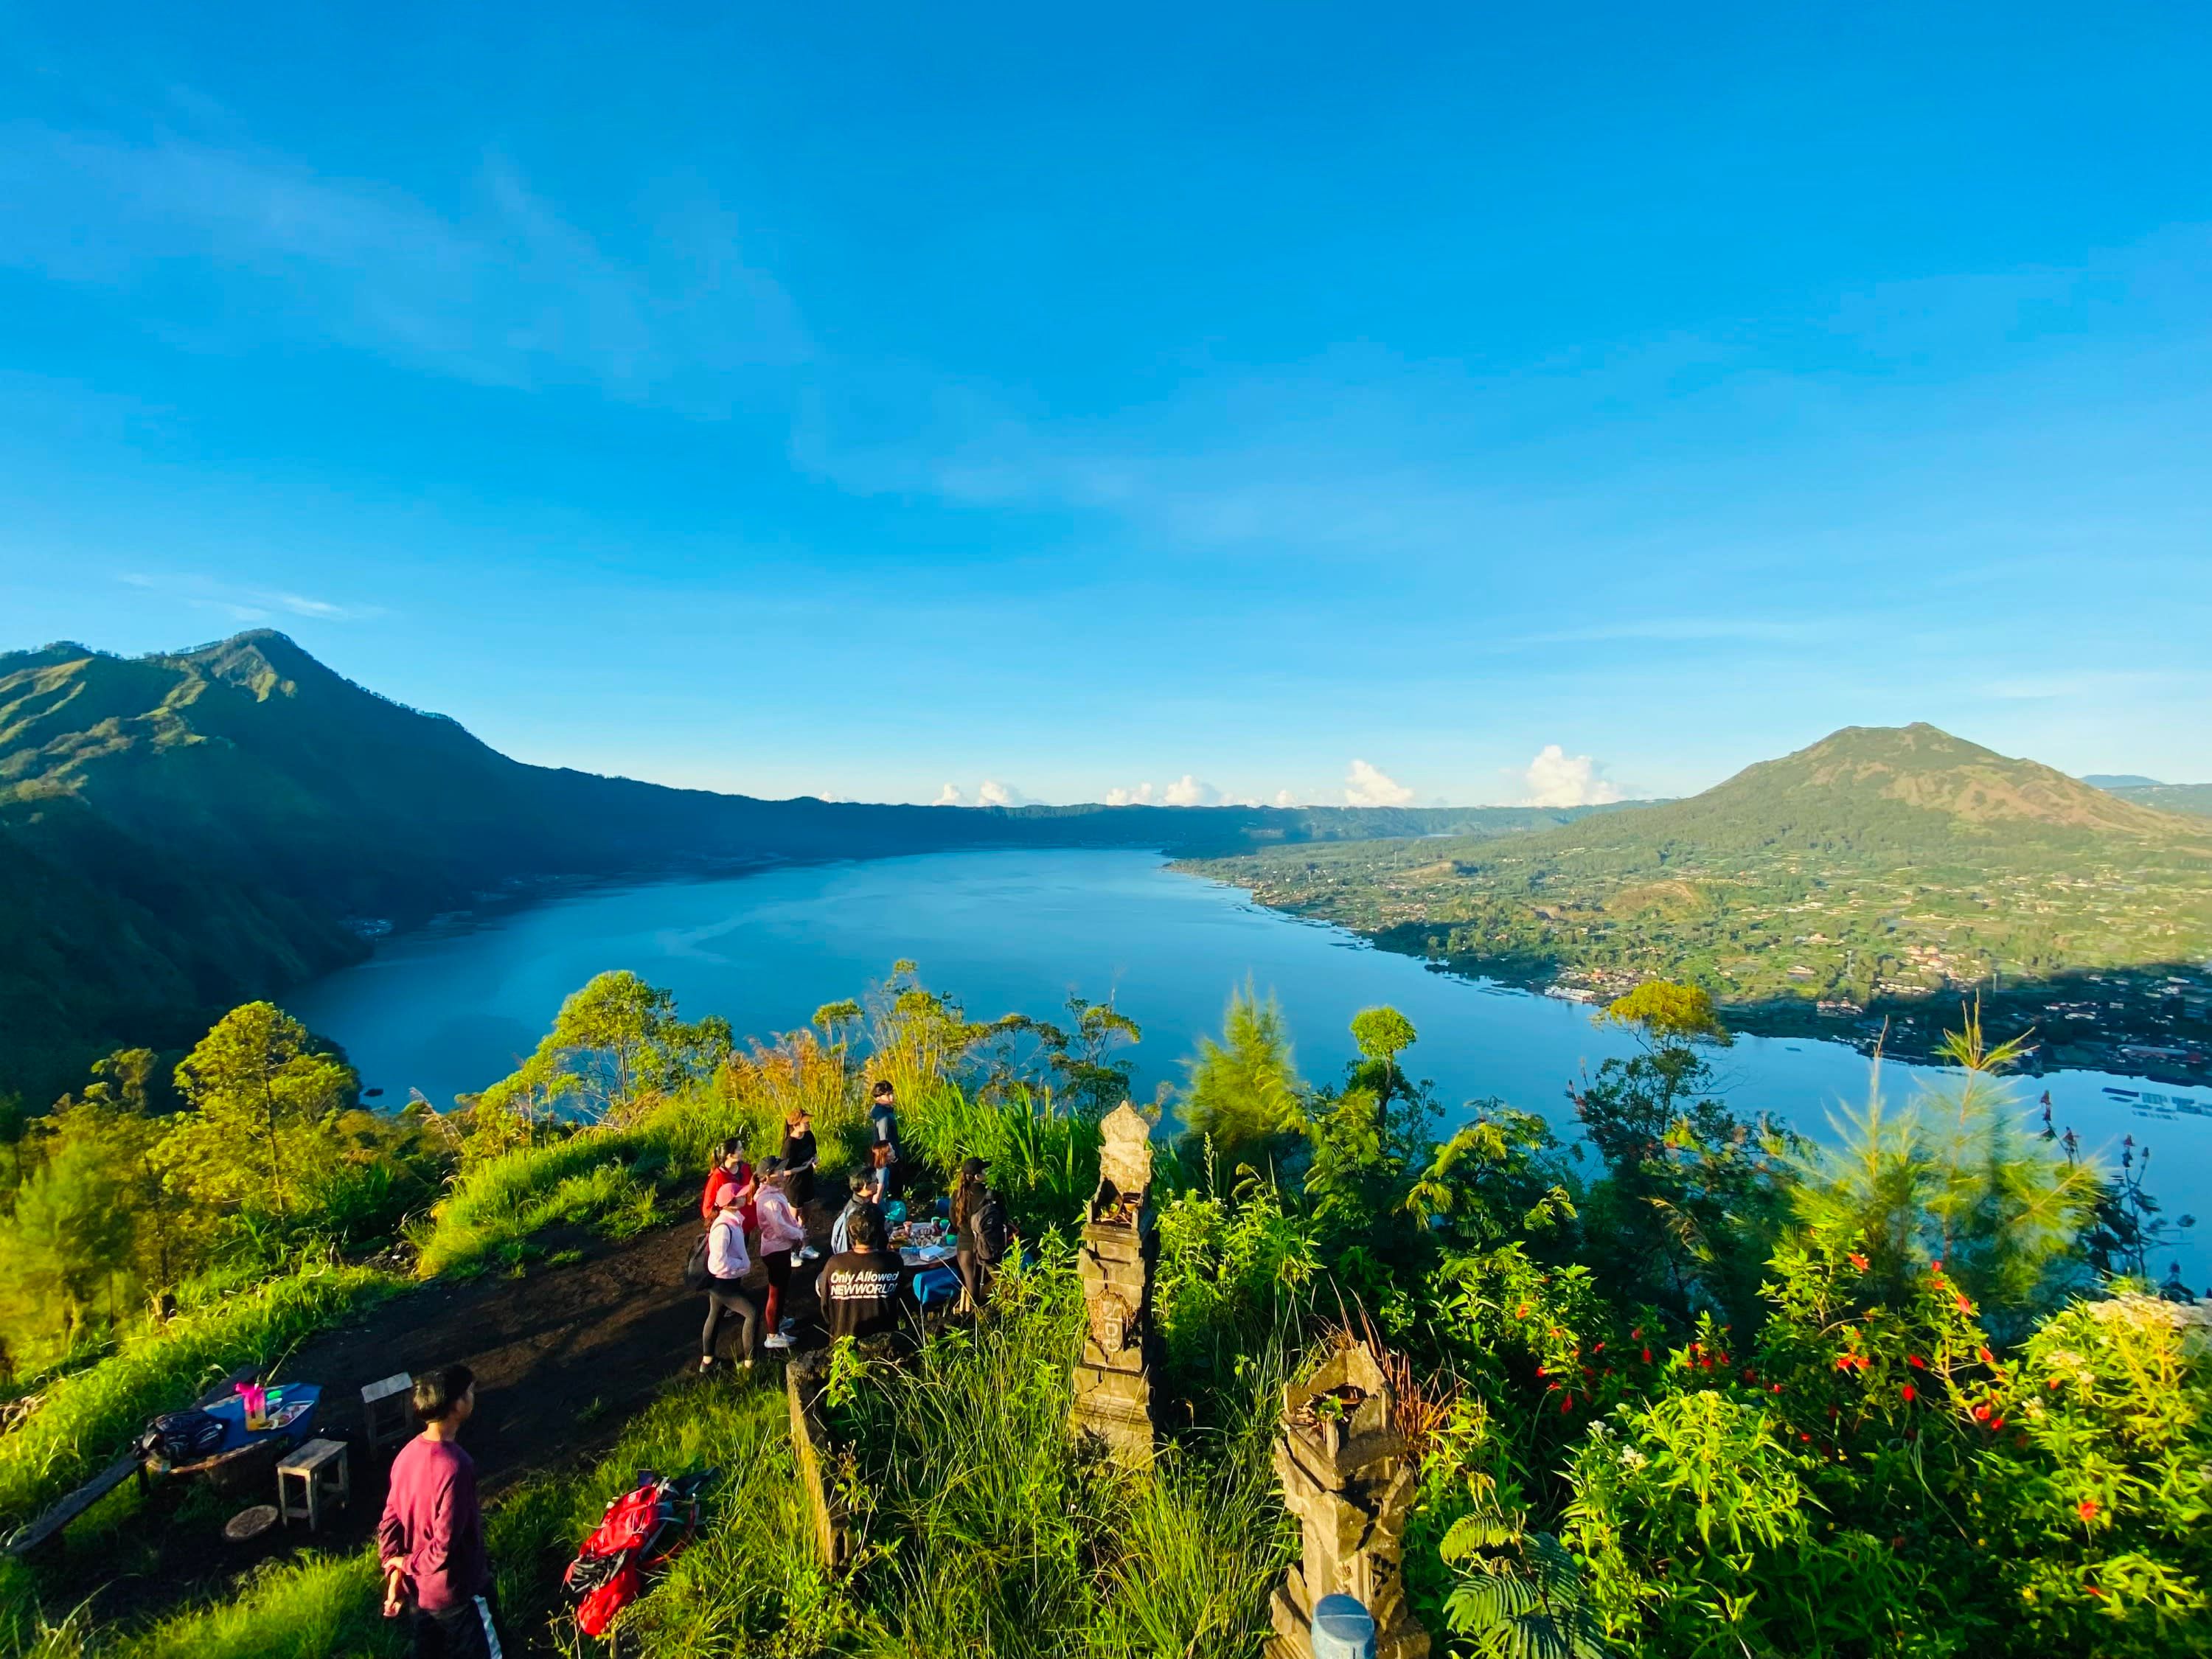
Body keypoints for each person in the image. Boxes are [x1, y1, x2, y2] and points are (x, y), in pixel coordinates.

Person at [379, 1363, 507, 1658]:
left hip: (421, 1597)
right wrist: (406, 1563)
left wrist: (395, 1569)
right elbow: (443, 1548)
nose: (473, 1397)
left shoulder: (406, 1456)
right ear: (456, 1405)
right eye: (470, 1392)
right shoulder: (456, 1466)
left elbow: (390, 1521)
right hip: (460, 1595)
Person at [815, 1206, 912, 1346]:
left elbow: (825, 1306)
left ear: (850, 1233)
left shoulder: (834, 1264)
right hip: (884, 1345)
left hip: (844, 1348)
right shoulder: (893, 1261)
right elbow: (902, 1300)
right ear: (880, 1233)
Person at [700, 1183, 760, 1371]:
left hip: (723, 1283)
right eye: (740, 1195)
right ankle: (750, 1364)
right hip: (724, 1284)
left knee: (715, 1315)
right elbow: (717, 1263)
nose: (744, 1197)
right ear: (731, 1203)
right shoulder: (724, 1228)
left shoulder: (732, 1221)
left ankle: (707, 1362)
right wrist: (741, 1264)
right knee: (752, 1313)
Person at [754, 1157, 806, 1350]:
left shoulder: (773, 1193)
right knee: (775, 1293)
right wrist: (799, 1234)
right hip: (776, 1250)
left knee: (781, 1289)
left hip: (778, 1248)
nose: (783, 1173)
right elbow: (780, 1228)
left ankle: (778, 1321)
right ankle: (773, 1335)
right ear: (768, 1177)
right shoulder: (769, 1200)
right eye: (779, 1171)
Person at [779, 1110, 820, 1259]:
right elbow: (784, 1171)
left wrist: (815, 1160)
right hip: (794, 1186)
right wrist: (803, 1168)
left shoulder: (808, 1135)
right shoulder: (789, 1145)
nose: (809, 1124)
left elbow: (814, 1153)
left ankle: (805, 1246)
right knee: (793, 1220)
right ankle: (791, 1252)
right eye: (805, 1122)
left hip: (807, 1181)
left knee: (806, 1217)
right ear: (796, 1125)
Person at [700, 1138, 757, 1236]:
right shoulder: (717, 1177)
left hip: (746, 1223)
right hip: (730, 1228)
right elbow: (707, 1208)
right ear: (730, 1155)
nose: (743, 1151)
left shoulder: (745, 1168)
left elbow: (753, 1190)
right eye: (739, 1149)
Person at [830, 1169, 879, 1255]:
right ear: (865, 1186)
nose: (877, 1183)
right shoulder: (859, 1213)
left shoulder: (854, 1204)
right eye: (875, 1181)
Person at [867, 1080, 902, 1199]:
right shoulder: (884, 1116)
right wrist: (894, 1158)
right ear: (878, 1097)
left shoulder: (879, 1111)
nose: (892, 1097)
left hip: (881, 1156)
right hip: (887, 1157)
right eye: (888, 1095)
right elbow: (884, 1140)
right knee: (891, 1189)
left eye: (892, 1093)